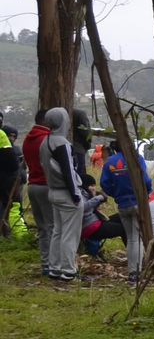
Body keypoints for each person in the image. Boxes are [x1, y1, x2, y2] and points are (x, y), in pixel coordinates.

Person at [38, 108, 85, 281]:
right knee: (70, 234)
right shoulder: (62, 143)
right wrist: (75, 195)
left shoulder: (45, 141)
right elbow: (69, 171)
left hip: (53, 191)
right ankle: (68, 270)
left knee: (58, 231)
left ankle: (54, 268)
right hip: (66, 193)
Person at [99, 148, 153, 281]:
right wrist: (147, 191)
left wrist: (116, 193)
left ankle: (131, 272)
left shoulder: (110, 161)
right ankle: (136, 273)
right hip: (137, 202)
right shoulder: (136, 157)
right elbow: (145, 179)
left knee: (130, 238)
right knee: (137, 239)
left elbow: (104, 184)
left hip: (122, 204)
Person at [23, 110, 51, 269]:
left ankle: (45, 263)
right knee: (53, 227)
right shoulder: (47, 140)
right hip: (46, 185)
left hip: (32, 185)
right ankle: (55, 263)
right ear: (46, 121)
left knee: (42, 228)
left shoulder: (28, 139)